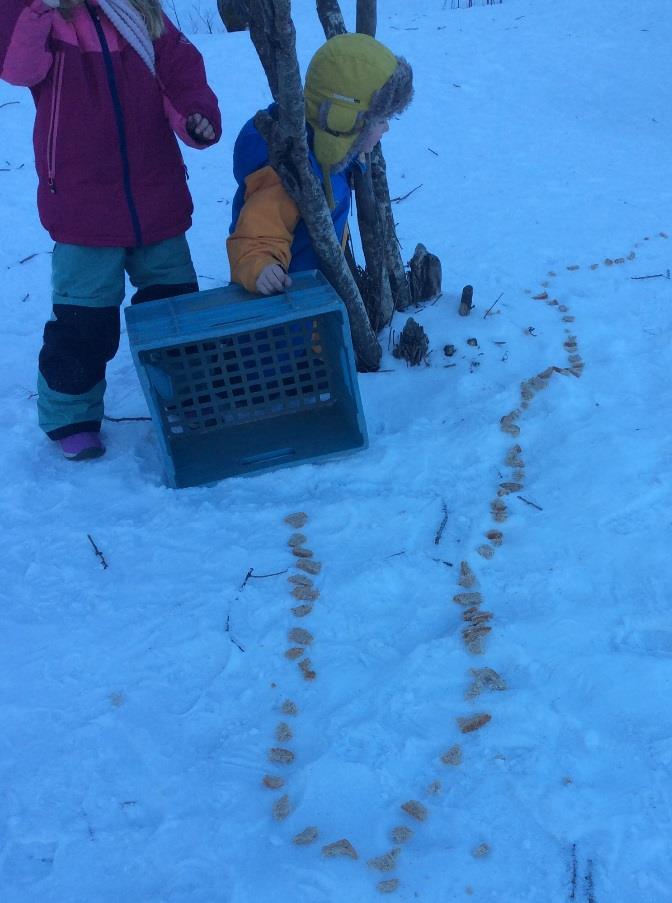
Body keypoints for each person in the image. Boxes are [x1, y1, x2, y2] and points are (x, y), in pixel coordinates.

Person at [0, 0, 222, 460]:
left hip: (155, 192)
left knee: (174, 305)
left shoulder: (140, 13)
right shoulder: (41, 16)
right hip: (83, 202)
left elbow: (181, 73)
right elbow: (18, 68)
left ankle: (189, 397)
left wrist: (195, 114)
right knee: (86, 320)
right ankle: (71, 415)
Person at [227, 32, 413, 296]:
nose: (387, 128)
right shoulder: (289, 172)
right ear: (346, 120)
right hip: (281, 308)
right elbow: (257, 232)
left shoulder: (330, 152)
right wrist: (262, 266)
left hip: (310, 296)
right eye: (380, 120)